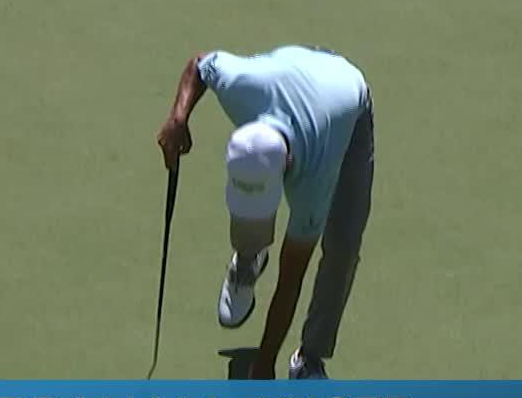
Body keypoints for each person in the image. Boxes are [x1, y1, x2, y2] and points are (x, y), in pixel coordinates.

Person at [155, 46, 374, 380]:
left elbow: (291, 279)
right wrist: (177, 119)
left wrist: (264, 363)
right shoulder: (242, 89)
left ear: (287, 167)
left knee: (343, 244)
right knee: (250, 215)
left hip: (346, 100)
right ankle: (248, 259)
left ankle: (308, 358)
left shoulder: (315, 173)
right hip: (290, 72)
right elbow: (199, 65)